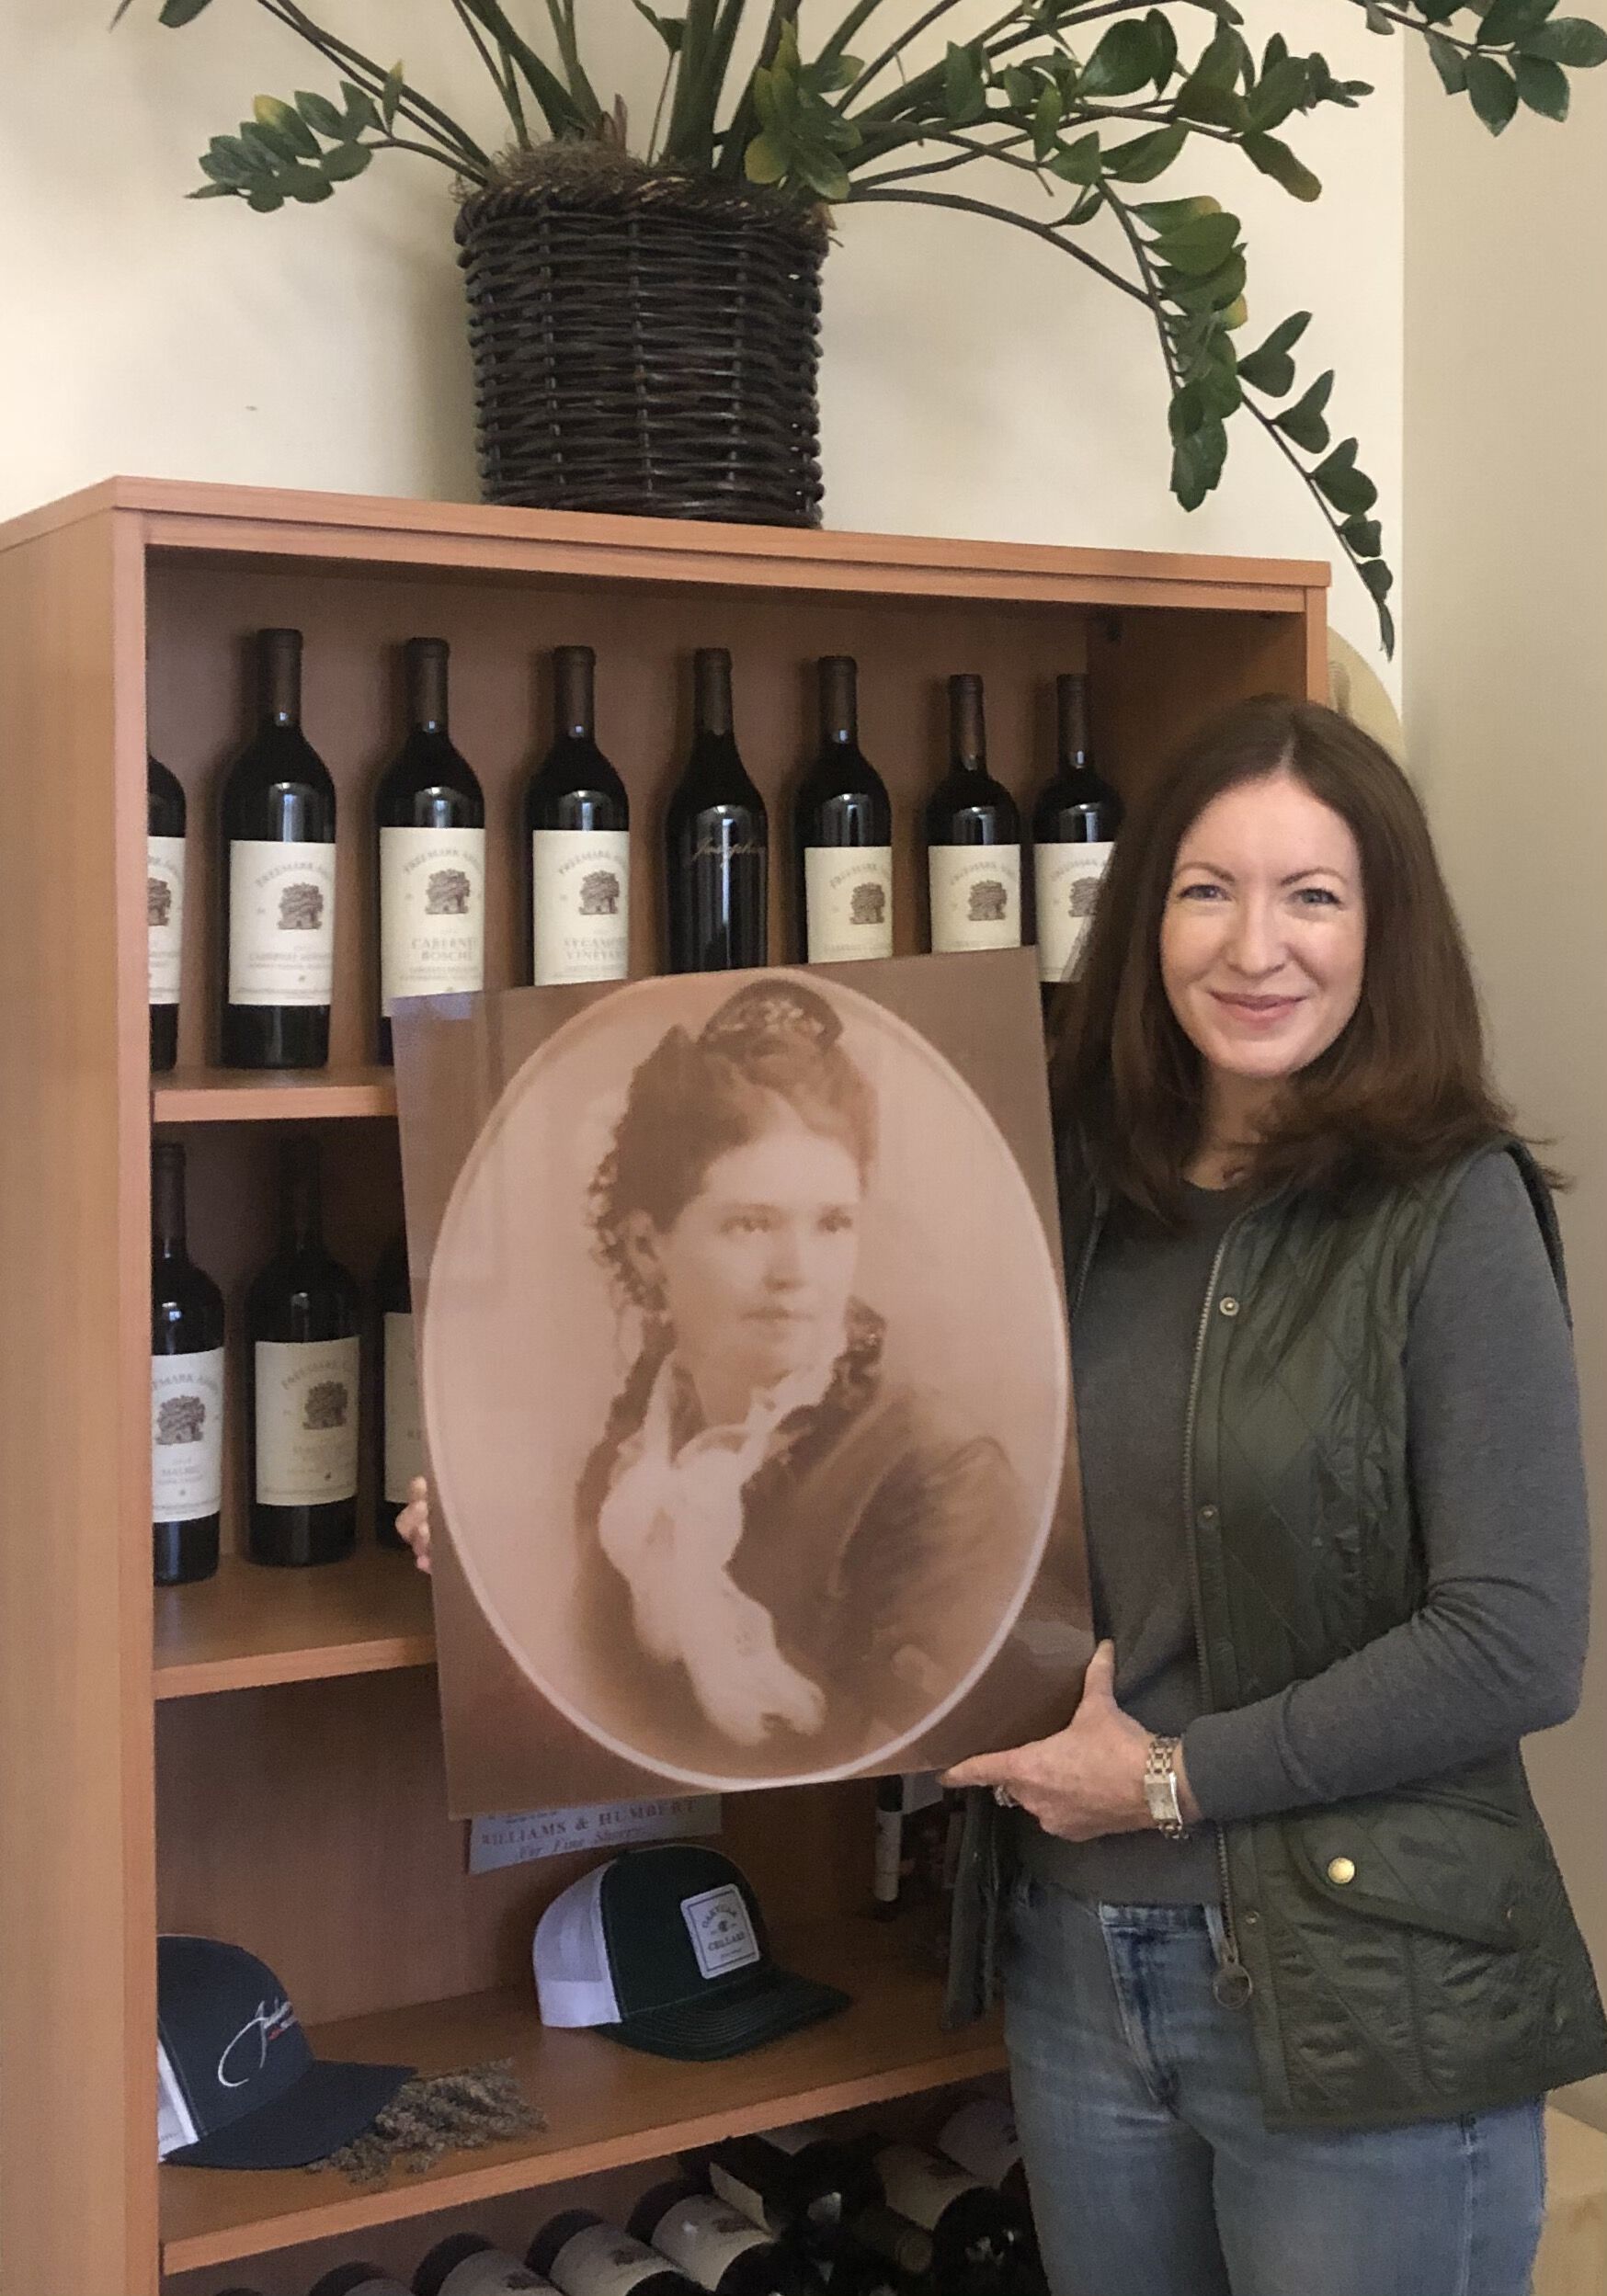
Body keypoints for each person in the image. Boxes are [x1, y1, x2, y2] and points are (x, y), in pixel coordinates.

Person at [940, 695, 1607, 2296]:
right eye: (1206, 890)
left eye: (1311, 894)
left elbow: (1514, 1638)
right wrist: (521, 1517)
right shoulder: (1061, 1193)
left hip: (1364, 1987)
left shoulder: (1450, 1209)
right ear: (1143, 920)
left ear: (1383, 932)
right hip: (1073, 1964)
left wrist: (1170, 1780)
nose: (1255, 946)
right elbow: (861, 1458)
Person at [398, 974, 1034, 1776]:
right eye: (750, 1224)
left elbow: (918, 1760)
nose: (797, 1271)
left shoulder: (940, 1472)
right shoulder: (634, 1457)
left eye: (832, 1223)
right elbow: (592, 1709)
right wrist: (468, 1556)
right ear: (647, 1247)